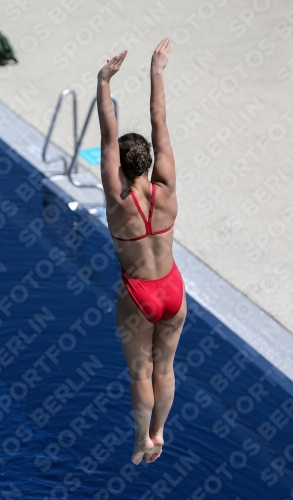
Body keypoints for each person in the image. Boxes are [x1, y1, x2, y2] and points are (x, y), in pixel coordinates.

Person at [97, 38, 187, 465]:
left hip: (139, 295)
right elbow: (159, 120)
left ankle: (140, 441)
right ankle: (160, 433)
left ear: (119, 169)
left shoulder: (117, 201)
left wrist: (103, 81)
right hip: (172, 289)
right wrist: (157, 69)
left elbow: (107, 134)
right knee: (165, 369)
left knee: (141, 373)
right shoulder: (166, 191)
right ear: (150, 163)